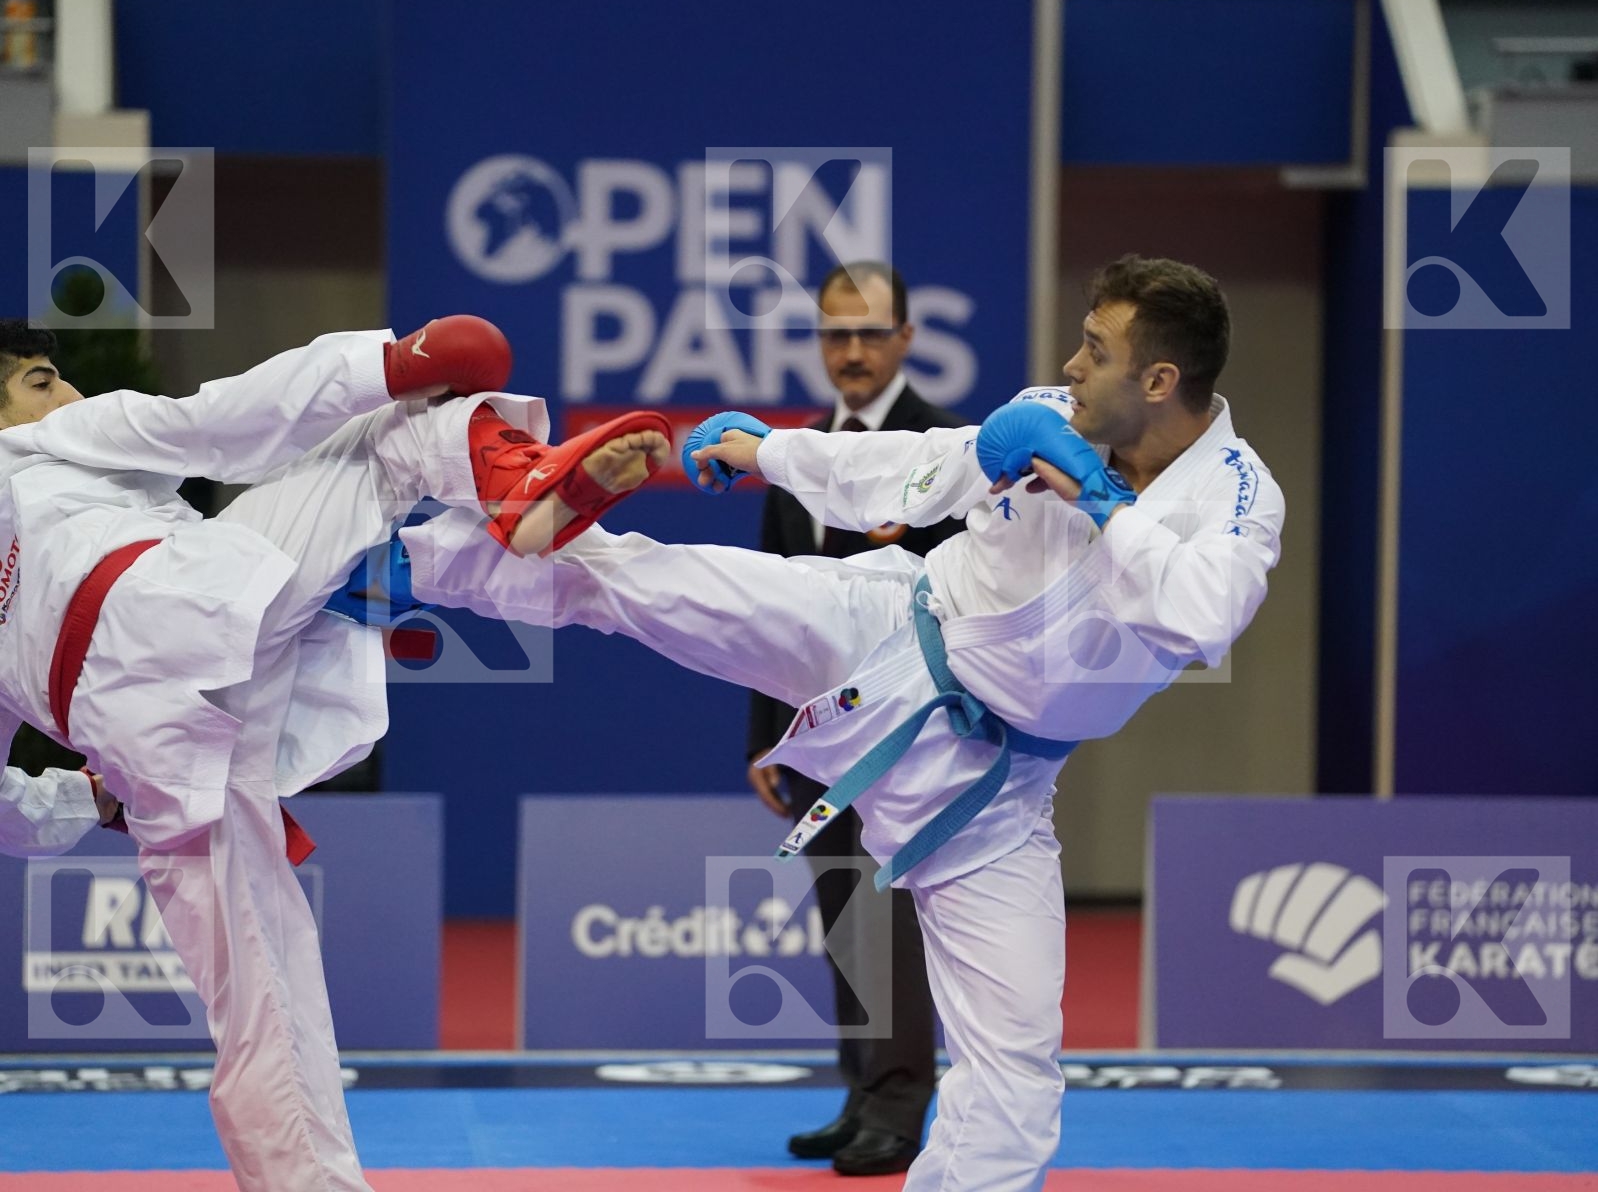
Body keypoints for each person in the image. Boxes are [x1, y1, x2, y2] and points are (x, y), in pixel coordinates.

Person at [397, 256, 1285, 1192]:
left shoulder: (1235, 493)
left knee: (1016, 1075)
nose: (1070, 364)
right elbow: (912, 466)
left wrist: (1103, 502)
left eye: (1096, 350)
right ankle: (402, 566)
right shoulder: (1052, 416)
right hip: (890, 630)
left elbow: (1200, 613)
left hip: (998, 790)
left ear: (1158, 380)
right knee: (648, 581)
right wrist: (768, 451)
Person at [0, 316, 668, 1191]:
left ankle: (519, 491)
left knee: (260, 1005)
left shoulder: (75, 463)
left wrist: (84, 801)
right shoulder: (49, 444)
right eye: (43, 379)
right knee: (388, 435)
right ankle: (505, 487)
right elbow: (224, 420)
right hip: (183, 612)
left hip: (151, 733)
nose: (70, 395)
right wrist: (385, 363)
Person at [747, 261, 951, 1176]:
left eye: (871, 333)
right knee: (844, 918)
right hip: (820, 740)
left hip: (914, 734)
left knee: (895, 920)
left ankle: (902, 1103)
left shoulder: (948, 448)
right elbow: (769, 609)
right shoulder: (793, 457)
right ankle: (861, 1088)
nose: (854, 351)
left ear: (906, 338)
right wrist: (766, 735)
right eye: (837, 334)